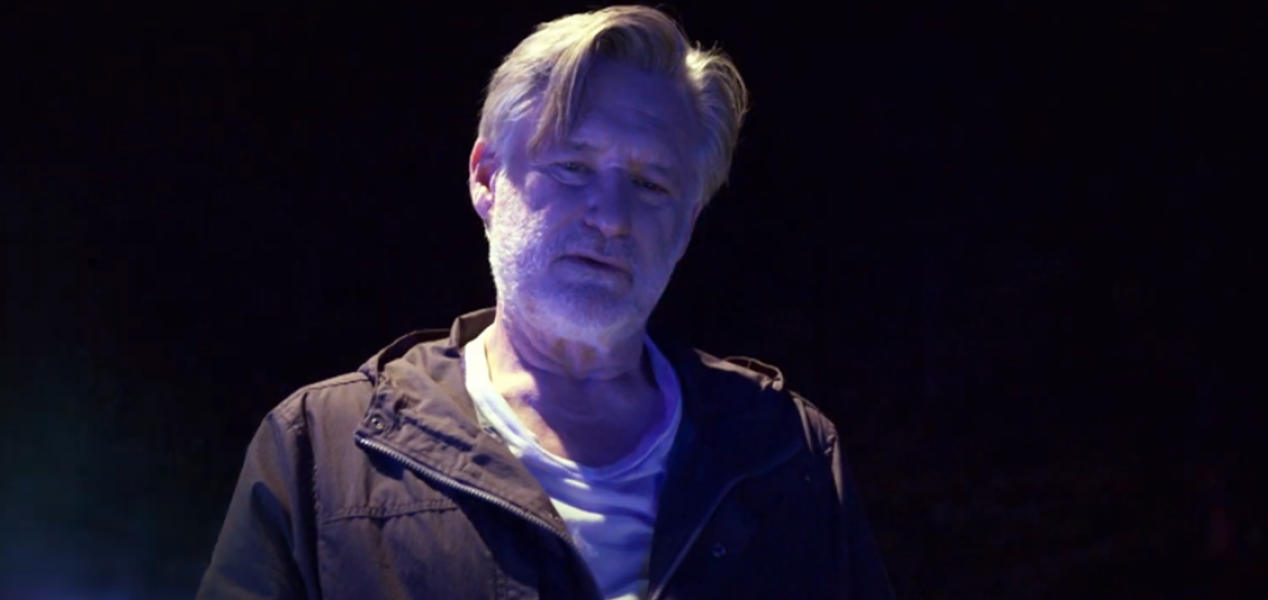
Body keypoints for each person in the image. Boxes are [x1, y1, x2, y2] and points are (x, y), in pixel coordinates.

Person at [197, 6, 894, 599]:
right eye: (573, 167)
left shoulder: (791, 453)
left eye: (651, 185)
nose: (611, 217)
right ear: (486, 178)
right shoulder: (320, 450)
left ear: (687, 223)